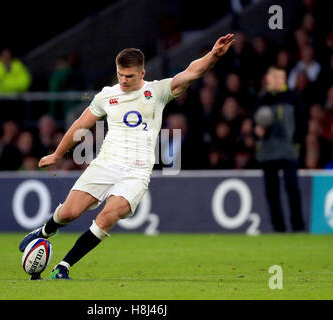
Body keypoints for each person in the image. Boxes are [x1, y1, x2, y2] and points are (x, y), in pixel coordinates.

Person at [19, 34, 235, 280]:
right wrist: (57, 153)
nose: (123, 80)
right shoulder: (106, 96)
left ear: (142, 74)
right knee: (69, 213)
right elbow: (82, 123)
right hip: (105, 164)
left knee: (108, 216)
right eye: (120, 75)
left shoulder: (157, 91)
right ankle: (45, 231)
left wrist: (213, 55)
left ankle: (64, 266)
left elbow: (191, 72)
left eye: (129, 76)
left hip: (136, 172)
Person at [254, 66, 306, 233]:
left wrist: (296, 144)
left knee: (292, 188)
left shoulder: (292, 97)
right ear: (268, 79)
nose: (276, 80)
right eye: (273, 77)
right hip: (268, 153)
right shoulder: (262, 98)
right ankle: (279, 228)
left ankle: (297, 226)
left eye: (279, 77)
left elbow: (302, 123)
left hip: (288, 151)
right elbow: (255, 124)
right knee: (272, 192)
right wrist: (258, 131)